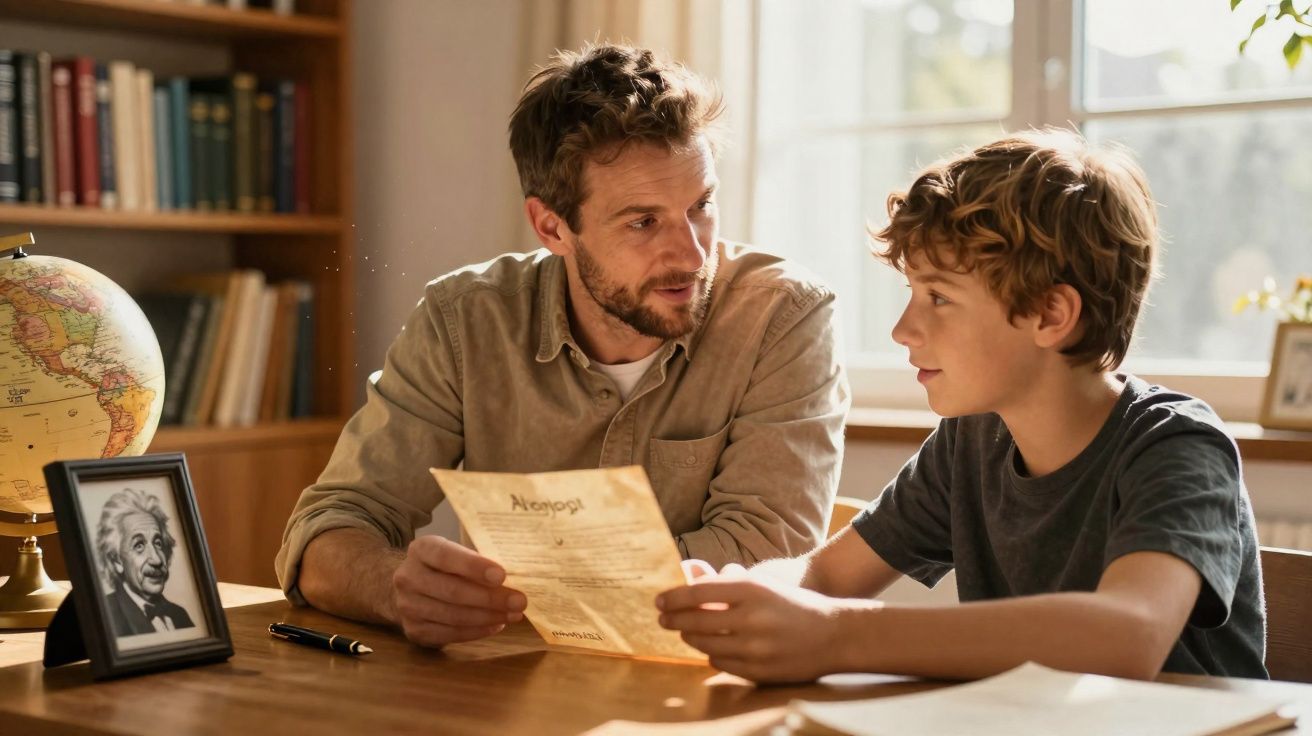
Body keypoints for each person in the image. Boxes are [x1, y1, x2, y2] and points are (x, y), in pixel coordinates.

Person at [275, 43, 849, 648]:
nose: (691, 253)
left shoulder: (784, 316)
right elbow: (326, 531)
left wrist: (524, 585)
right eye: (643, 222)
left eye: (701, 206)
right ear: (552, 227)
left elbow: (769, 553)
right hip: (511, 690)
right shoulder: (465, 321)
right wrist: (395, 587)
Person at [656, 129, 1267, 683]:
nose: (903, 329)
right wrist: (740, 595)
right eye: (911, 292)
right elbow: (824, 575)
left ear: (1050, 315)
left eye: (939, 297)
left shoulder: (1177, 448)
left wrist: (840, 635)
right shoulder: (971, 440)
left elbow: (1127, 635)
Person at [97, 488, 195, 636]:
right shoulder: (106, 616)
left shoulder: (180, 615)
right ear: (117, 560)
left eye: (158, 543)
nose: (156, 559)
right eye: (139, 546)